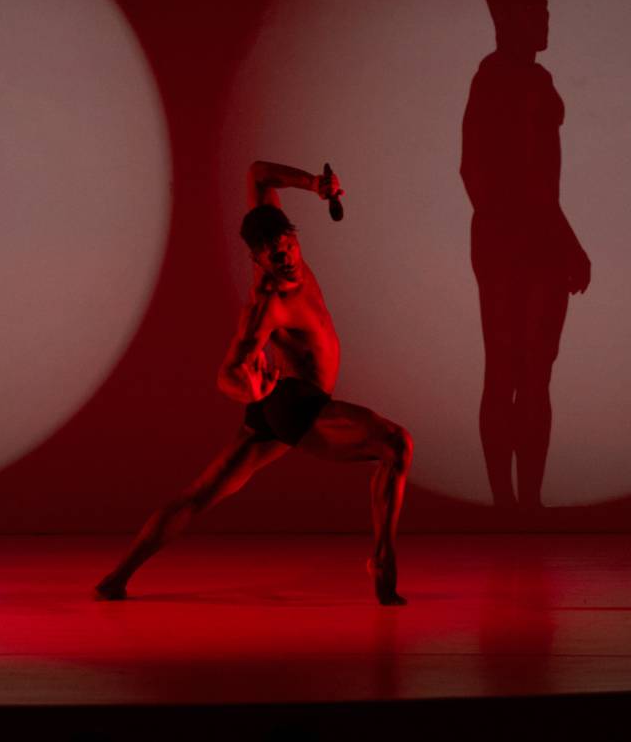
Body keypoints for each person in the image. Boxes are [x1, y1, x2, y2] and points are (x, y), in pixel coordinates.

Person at [95, 161, 413, 605]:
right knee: (395, 444)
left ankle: (116, 578)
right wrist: (250, 391)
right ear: (257, 259)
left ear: (294, 236)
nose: (285, 258)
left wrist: (315, 186)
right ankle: (382, 559)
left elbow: (258, 173)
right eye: (273, 255)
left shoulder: (277, 234)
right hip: (297, 403)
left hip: (279, 405)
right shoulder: (268, 305)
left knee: (202, 494)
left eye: (288, 245)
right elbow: (227, 373)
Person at [460, 0, 590, 512]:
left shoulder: (537, 80)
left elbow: (537, 179)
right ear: (503, 16)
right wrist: (554, 239)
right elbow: (484, 173)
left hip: (531, 241)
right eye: (532, 8)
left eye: (544, 7)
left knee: (534, 372)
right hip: (512, 244)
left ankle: (524, 504)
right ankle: (507, 503)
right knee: (511, 369)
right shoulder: (496, 78)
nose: (543, 17)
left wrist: (558, 238)